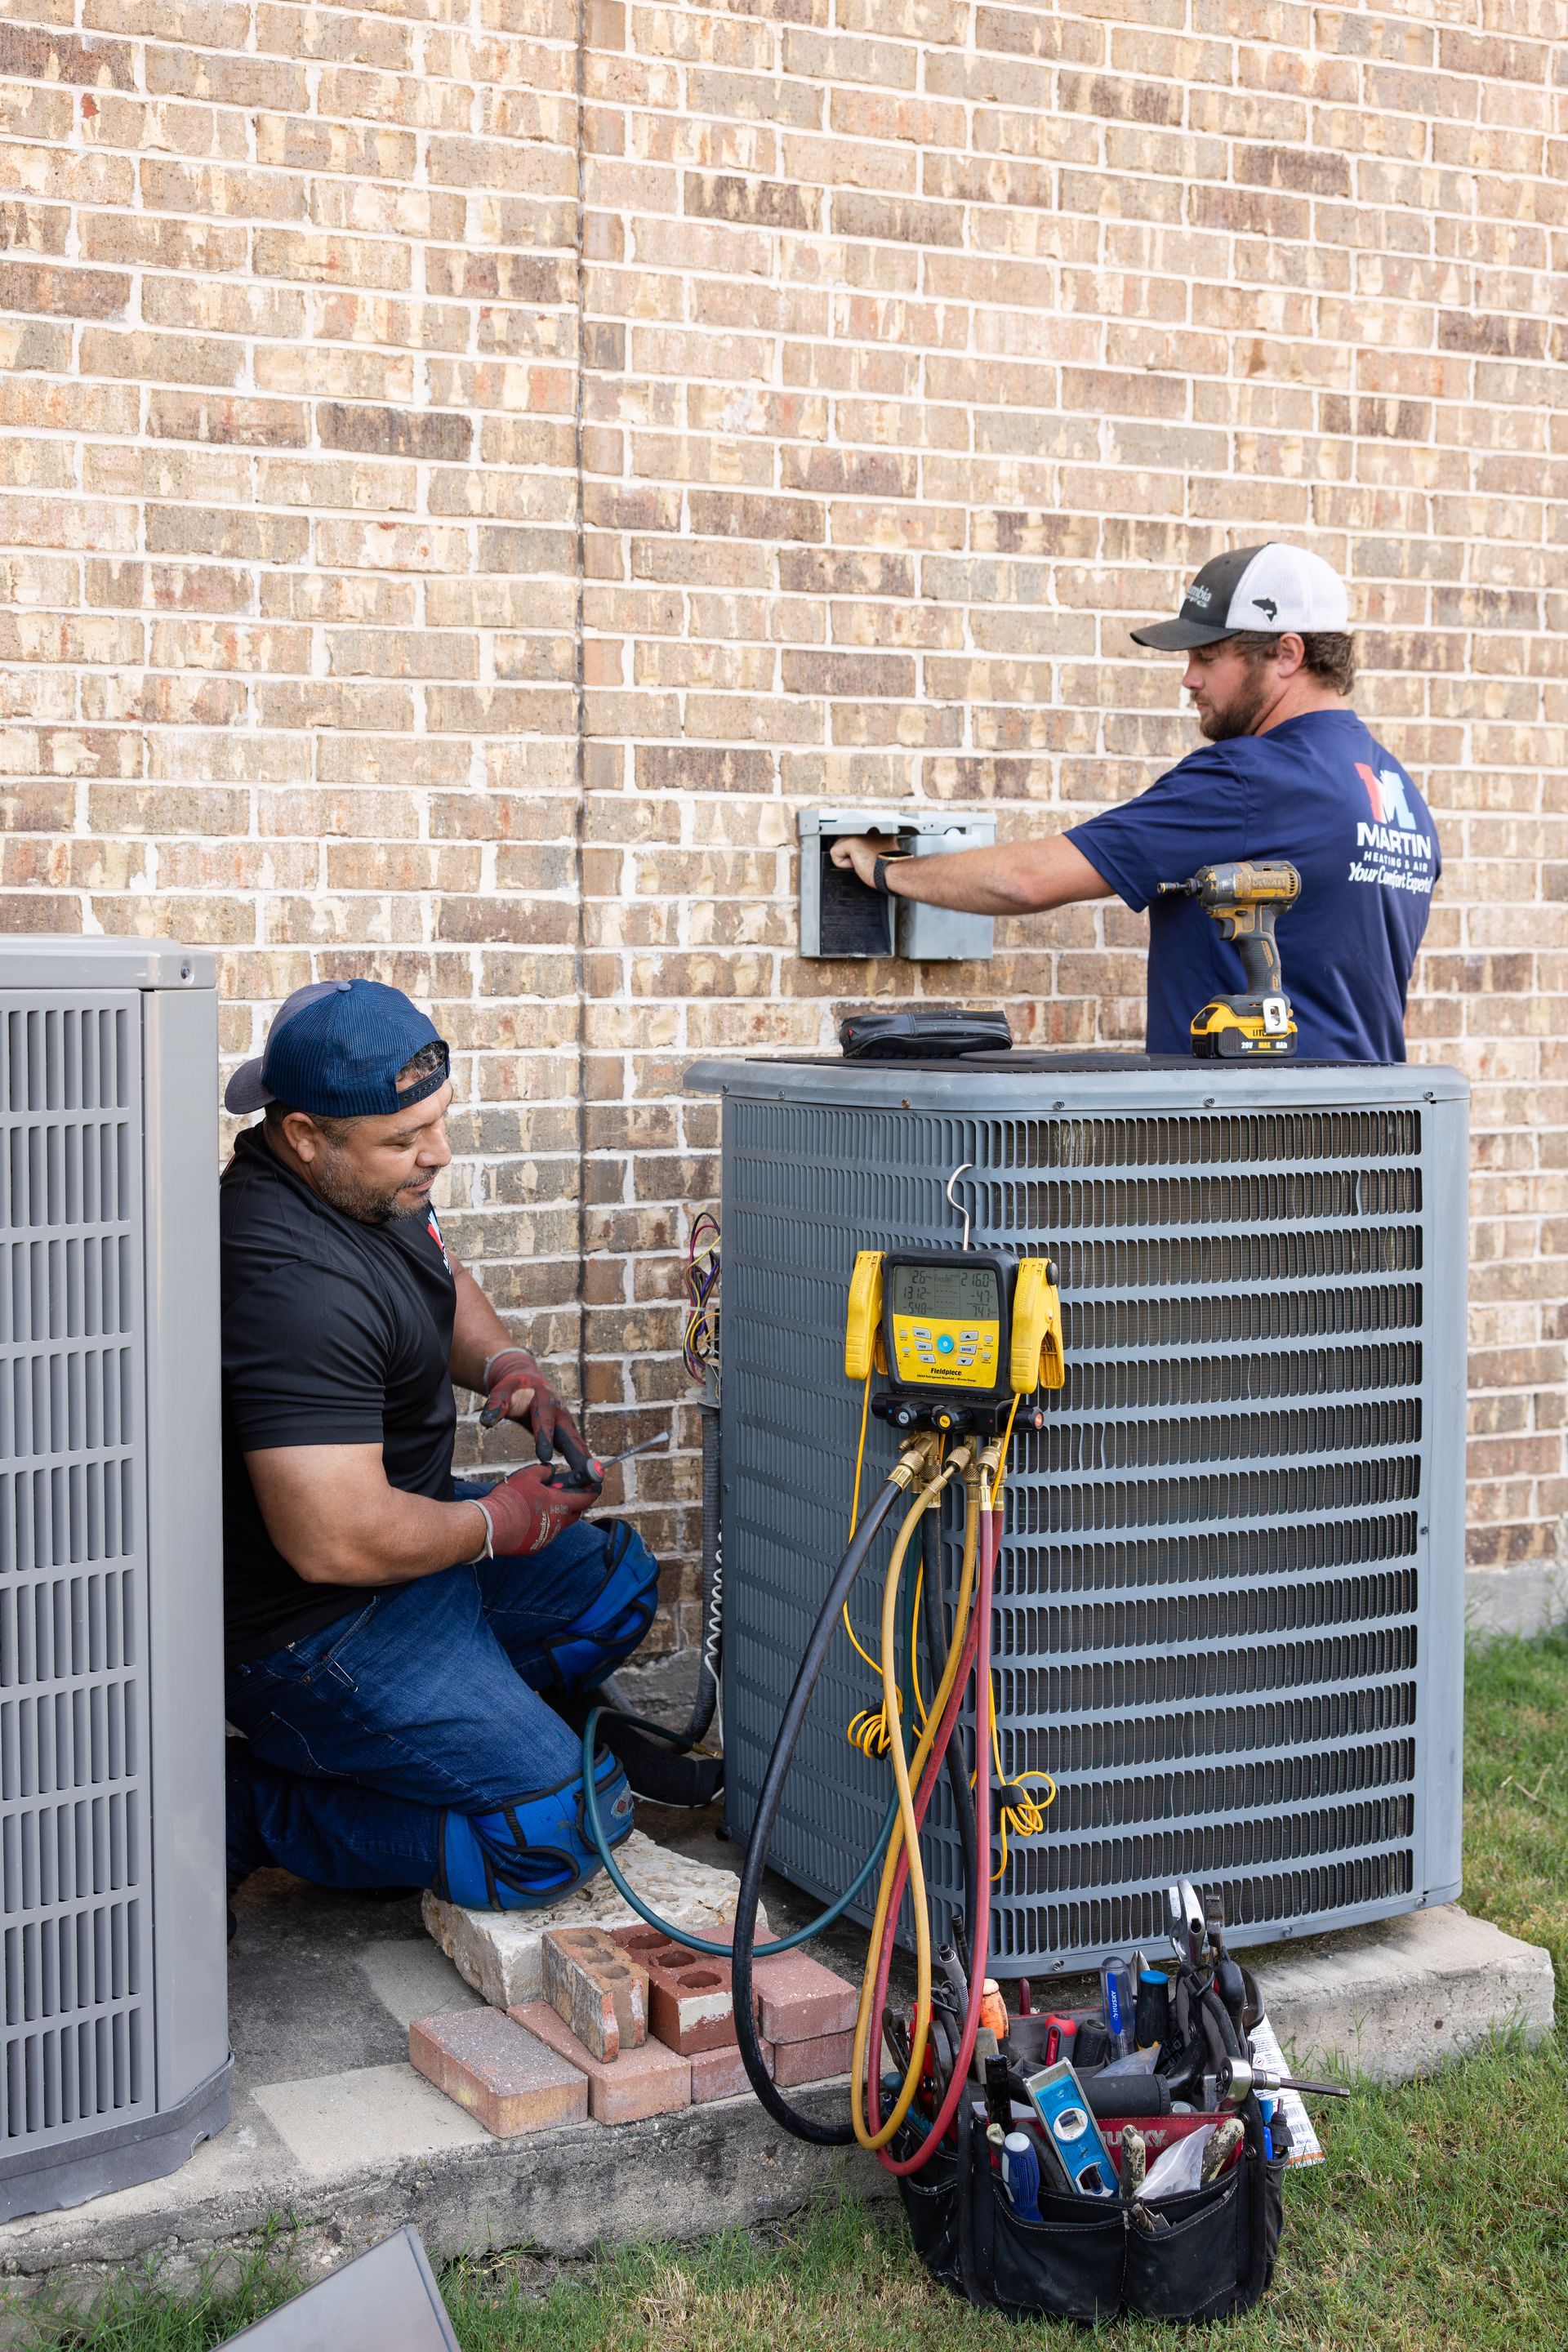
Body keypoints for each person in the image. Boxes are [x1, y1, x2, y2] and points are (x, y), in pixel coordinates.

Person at [220, 978, 657, 1913]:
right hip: (319, 1630)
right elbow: (333, 1540)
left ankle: (445, 1747)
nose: (438, 1155)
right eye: (405, 1141)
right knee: (552, 1838)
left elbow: (436, 1267)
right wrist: (500, 1522)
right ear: (304, 1134)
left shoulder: (367, 1185)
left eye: (439, 1122)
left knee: (614, 1591)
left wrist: (508, 1365)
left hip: (421, 1558)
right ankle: (248, 1806)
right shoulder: (288, 1283)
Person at [831, 544, 1439, 1062]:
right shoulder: (1400, 797)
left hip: (1253, 1151)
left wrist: (887, 869)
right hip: (1369, 1148)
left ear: (1286, 654)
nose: (1189, 679)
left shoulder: (1252, 777)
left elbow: (1026, 880)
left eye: (1208, 656)